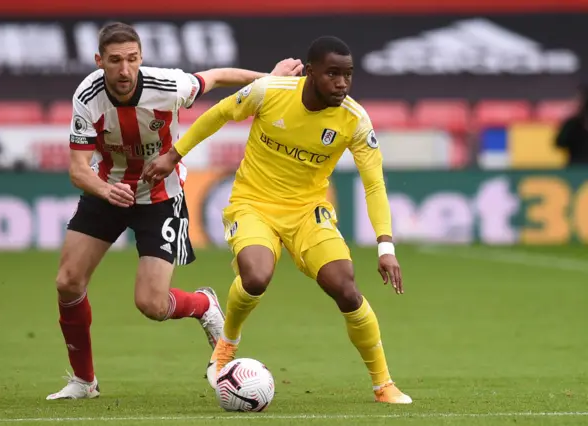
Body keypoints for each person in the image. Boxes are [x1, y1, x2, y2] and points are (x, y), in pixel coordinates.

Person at [143, 36, 412, 404]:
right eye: (332, 74)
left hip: (307, 212)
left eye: (348, 75)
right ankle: (227, 344)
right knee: (255, 276)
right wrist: (173, 155)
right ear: (310, 72)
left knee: (346, 289)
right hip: (253, 204)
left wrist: (385, 246)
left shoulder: (355, 119)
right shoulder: (269, 91)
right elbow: (218, 114)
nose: (342, 84)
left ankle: (384, 384)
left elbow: (374, 185)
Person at [47, 22, 303, 400]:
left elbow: (215, 77)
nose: (124, 69)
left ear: (141, 58)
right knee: (68, 281)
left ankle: (203, 305)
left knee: (151, 304)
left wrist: (272, 79)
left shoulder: (168, 86)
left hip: (160, 197)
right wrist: (105, 189)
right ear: (99, 61)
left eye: (132, 59)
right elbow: (77, 169)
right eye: (115, 61)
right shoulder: (87, 94)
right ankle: (84, 382)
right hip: (108, 190)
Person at [555, 85, 588, 165]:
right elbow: (560, 142)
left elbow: (559, 143)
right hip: (575, 170)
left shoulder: (572, 123)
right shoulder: (573, 123)